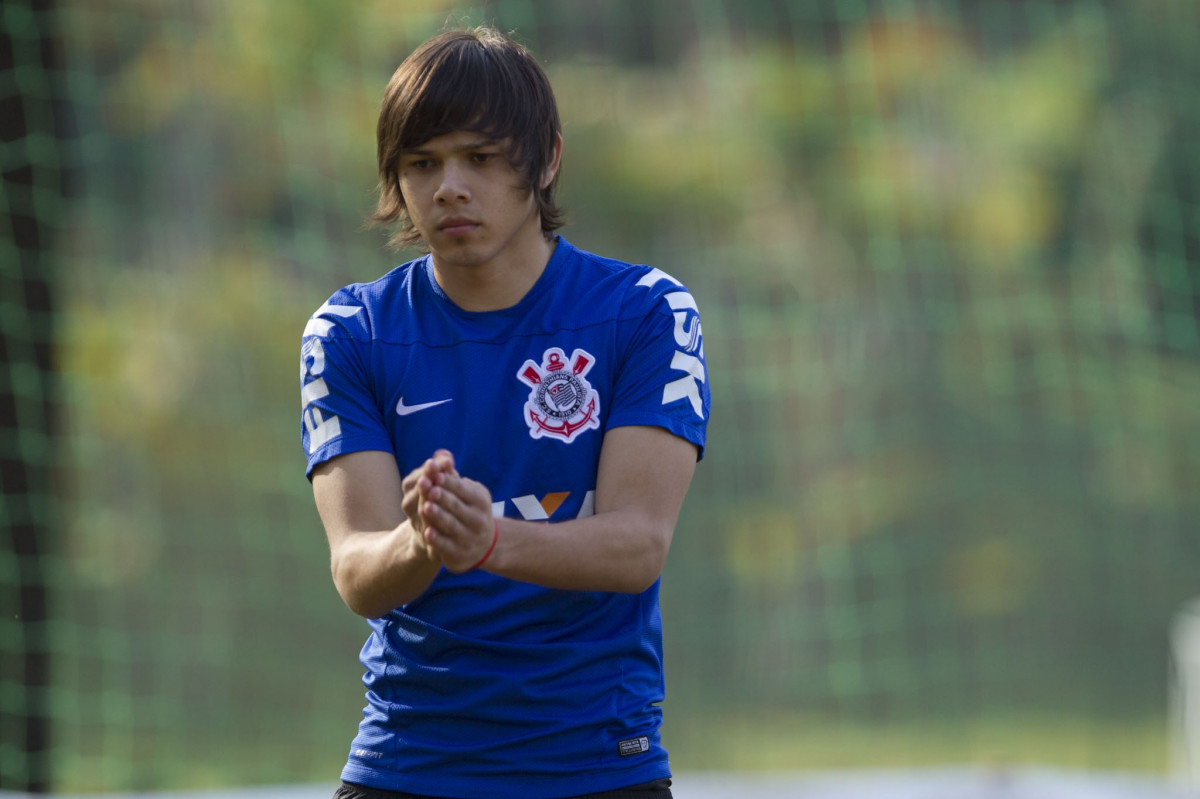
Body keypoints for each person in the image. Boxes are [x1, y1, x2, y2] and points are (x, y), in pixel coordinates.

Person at [299, 26, 710, 799]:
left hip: (597, 765)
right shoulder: (349, 331)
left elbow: (636, 546)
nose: (449, 186)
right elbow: (357, 570)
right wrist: (424, 539)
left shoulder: (646, 312)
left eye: (479, 159)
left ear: (547, 157)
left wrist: (487, 539)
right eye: (422, 163)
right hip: (408, 764)